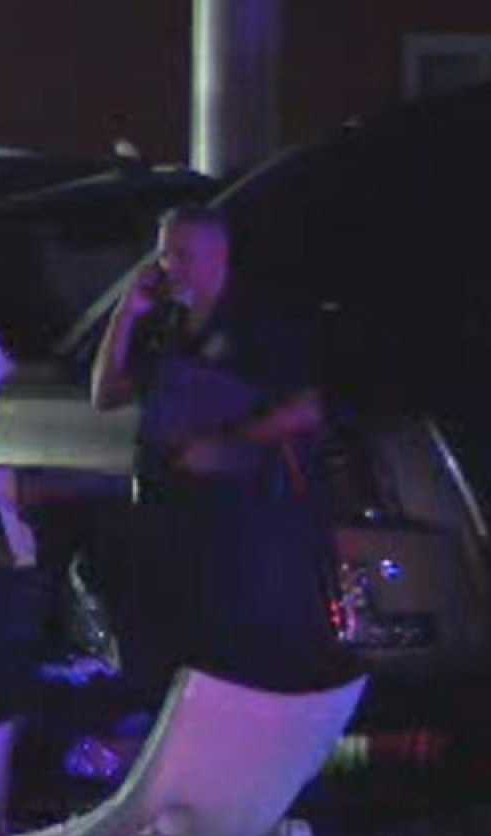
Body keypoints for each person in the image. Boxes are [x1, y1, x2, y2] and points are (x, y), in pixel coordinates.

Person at [89, 206, 346, 694]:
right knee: (157, 651)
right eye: (164, 254)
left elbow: (309, 407)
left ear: (218, 255)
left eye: (183, 254)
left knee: (225, 655)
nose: (170, 267)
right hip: (166, 516)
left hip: (234, 523)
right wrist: (125, 315)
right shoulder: (165, 327)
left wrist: (227, 443)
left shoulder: (257, 327)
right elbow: (105, 394)